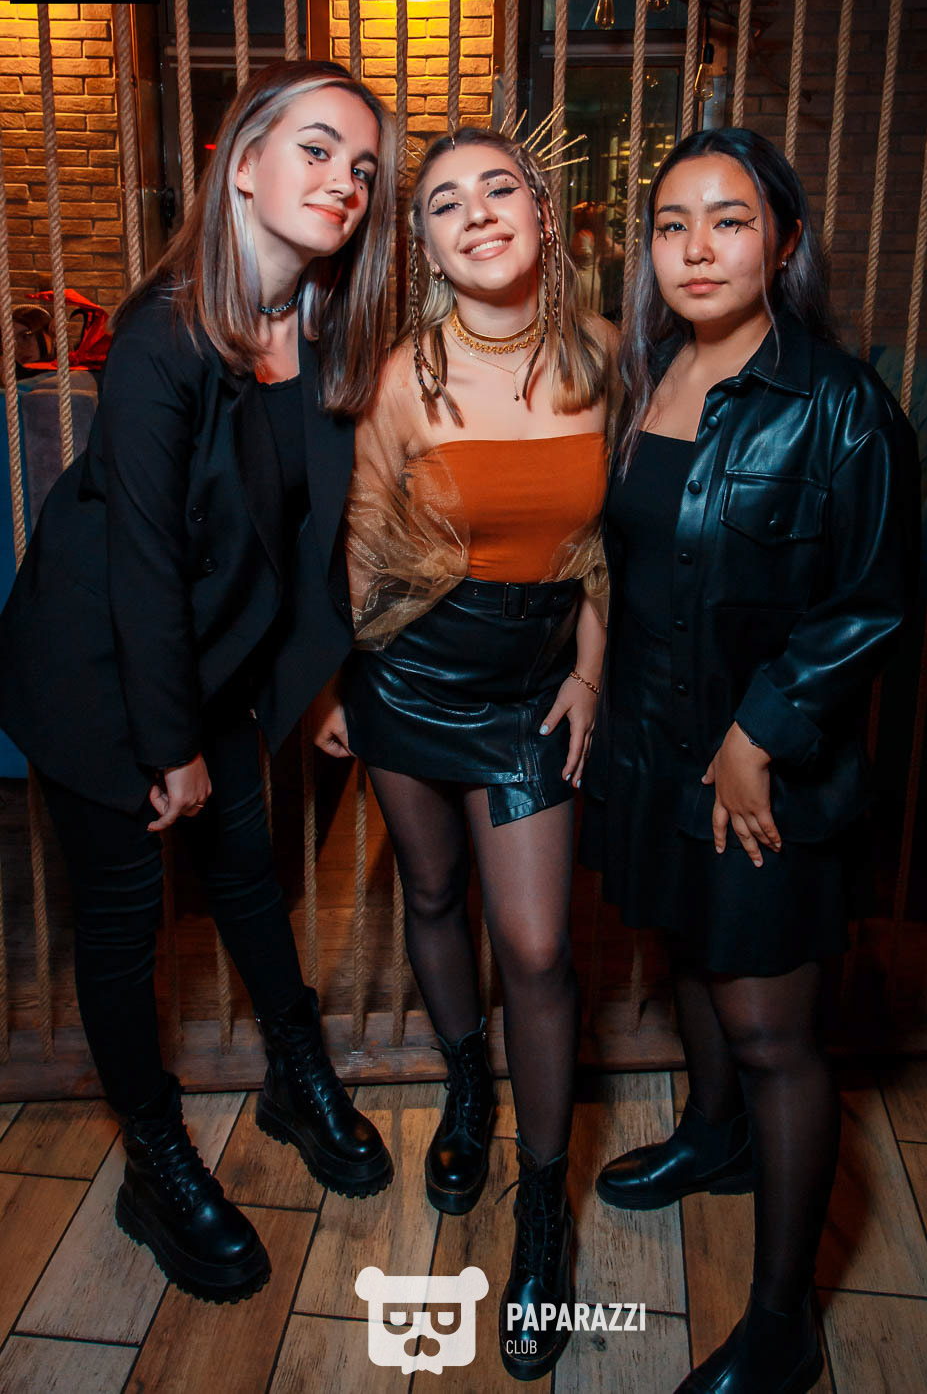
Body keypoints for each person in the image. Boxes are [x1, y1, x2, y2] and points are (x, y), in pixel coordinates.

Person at [0, 59, 397, 1304]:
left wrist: (314, 685)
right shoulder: (163, 333)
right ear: (241, 165)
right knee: (123, 928)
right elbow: (143, 560)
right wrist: (168, 746)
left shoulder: (316, 329)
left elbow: (301, 538)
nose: (345, 182)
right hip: (99, 668)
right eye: (318, 149)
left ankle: (293, 1073)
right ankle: (154, 1157)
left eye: (363, 168)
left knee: (245, 873)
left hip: (208, 658)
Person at [581, 127, 918, 1394]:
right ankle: (712, 1136)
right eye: (672, 224)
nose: (697, 248)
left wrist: (756, 736)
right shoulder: (648, 375)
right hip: (651, 745)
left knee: (772, 1032)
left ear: (782, 243)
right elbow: (623, 562)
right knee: (688, 952)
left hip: (764, 770)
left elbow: (872, 602)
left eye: (728, 220)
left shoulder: (840, 404)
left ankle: (783, 1324)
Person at [313, 126, 617, 1380]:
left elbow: (613, 547)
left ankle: (543, 1205)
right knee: (432, 894)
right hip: (409, 673)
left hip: (534, 686)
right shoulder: (405, 377)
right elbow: (361, 537)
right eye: (445, 202)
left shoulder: (607, 361)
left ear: (541, 214)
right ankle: (463, 1087)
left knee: (537, 946)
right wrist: (338, 682)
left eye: (499, 188)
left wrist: (590, 672)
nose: (478, 212)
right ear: (428, 248)